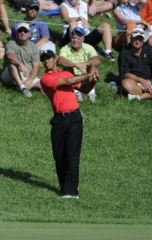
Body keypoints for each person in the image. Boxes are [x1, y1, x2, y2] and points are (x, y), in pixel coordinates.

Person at [40, 49, 99, 199]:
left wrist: (93, 80)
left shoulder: (67, 73)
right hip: (59, 120)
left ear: (55, 59)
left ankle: (71, 192)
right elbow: (66, 82)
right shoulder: (45, 79)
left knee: (72, 155)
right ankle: (64, 188)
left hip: (74, 118)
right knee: (59, 155)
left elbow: (84, 88)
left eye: (48, 58)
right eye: (43, 60)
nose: (46, 61)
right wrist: (87, 74)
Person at [119, 27, 152, 101]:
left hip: (150, 81)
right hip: (134, 82)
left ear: (143, 40)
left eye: (140, 39)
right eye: (135, 38)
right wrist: (141, 80)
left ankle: (139, 97)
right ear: (131, 38)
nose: (137, 41)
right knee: (125, 84)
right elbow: (125, 74)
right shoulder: (124, 53)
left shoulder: (150, 49)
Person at [58, 27, 101, 102]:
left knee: (93, 66)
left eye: (78, 38)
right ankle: (75, 91)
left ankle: (91, 91)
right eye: (74, 38)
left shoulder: (88, 47)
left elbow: (97, 60)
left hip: (85, 75)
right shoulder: (65, 48)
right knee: (66, 67)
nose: (75, 40)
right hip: (72, 77)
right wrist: (75, 65)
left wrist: (86, 64)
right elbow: (60, 61)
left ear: (83, 39)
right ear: (71, 38)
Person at [1, 22, 40, 98]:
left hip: (27, 74)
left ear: (29, 34)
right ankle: (22, 87)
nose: (22, 33)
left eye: (25, 31)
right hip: (10, 73)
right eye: (20, 31)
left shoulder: (34, 47)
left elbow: (36, 66)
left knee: (41, 85)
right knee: (12, 64)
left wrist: (30, 80)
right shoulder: (11, 43)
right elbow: (10, 56)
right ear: (16, 33)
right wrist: (20, 64)